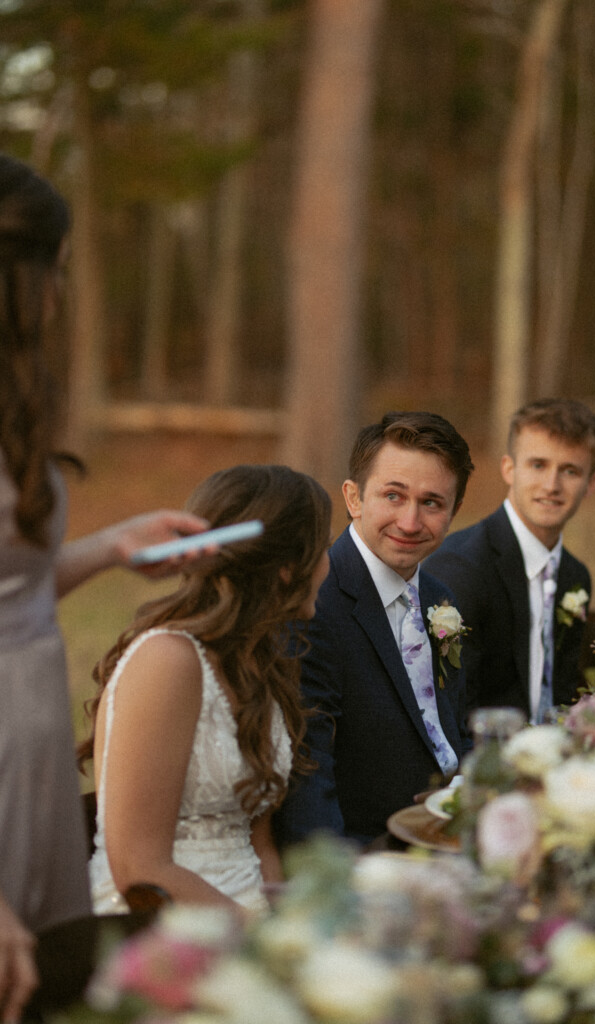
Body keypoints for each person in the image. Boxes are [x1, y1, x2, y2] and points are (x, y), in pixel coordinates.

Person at [0, 153, 212, 1022]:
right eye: (59, 268)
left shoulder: (10, 405)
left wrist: (112, 547)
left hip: (28, 774)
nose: (61, 293)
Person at [83, 464, 332, 918]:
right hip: (160, 926)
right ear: (286, 569)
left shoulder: (261, 666)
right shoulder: (168, 662)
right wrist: (263, 942)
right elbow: (140, 868)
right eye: (323, 548)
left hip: (250, 912)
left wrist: (292, 925)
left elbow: (260, 845)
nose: (328, 564)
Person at [274, 411, 475, 850]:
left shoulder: (441, 598)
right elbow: (307, 765)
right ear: (354, 498)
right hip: (368, 853)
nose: (409, 522)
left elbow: (450, 729)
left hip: (452, 838)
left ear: (454, 510)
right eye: (393, 496)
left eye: (432, 503)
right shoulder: (316, 603)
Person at [424, 398, 595, 723]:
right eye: (538, 465)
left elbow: (563, 691)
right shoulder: (460, 569)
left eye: (570, 470)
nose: (552, 485)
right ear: (509, 469)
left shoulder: (575, 576)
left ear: (591, 484)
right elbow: (448, 709)